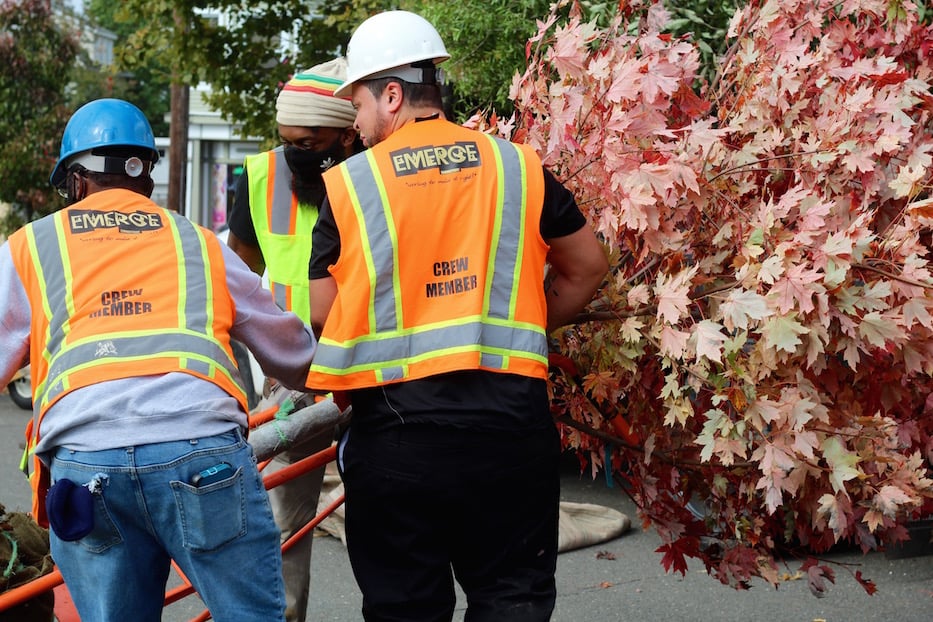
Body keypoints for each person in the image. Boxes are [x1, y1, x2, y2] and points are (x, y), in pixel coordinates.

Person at [305, 10, 609, 622]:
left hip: (397, 443)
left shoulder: (349, 187)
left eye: (357, 103)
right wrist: (515, 325)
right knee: (511, 603)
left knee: (405, 610)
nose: (356, 123)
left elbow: (322, 316)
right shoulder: (518, 167)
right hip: (509, 436)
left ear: (392, 94)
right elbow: (588, 267)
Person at [0, 98, 317, 622]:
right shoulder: (196, 243)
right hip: (202, 452)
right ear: (146, 178)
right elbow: (293, 353)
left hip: (86, 462)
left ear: (76, 183)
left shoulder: (32, 246)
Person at [225, 57, 361, 622]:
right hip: (295, 381)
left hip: (374, 368)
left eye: (309, 143)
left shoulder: (377, 173)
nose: (294, 156)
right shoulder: (259, 178)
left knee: (390, 519)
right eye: (287, 143)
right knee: (283, 524)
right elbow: (234, 279)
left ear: (346, 131)